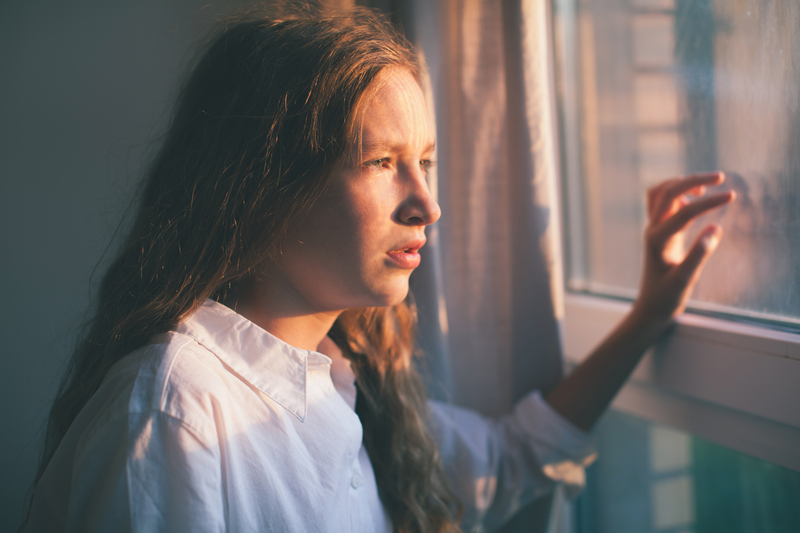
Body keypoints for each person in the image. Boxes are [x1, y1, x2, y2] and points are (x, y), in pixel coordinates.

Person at [23, 7, 735, 533]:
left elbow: (508, 458)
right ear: (261, 185)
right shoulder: (177, 409)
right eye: (381, 163)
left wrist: (647, 316)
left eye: (425, 162)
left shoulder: (348, 382)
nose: (428, 203)